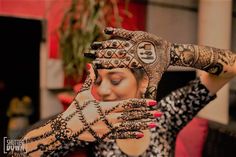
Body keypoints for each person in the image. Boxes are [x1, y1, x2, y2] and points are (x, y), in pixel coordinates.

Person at [11, 28, 236, 157]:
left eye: (116, 80)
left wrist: (173, 53)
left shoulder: (167, 114)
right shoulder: (95, 124)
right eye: (98, 81)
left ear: (143, 82)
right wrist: (63, 129)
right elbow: (11, 148)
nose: (103, 90)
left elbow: (232, 66)